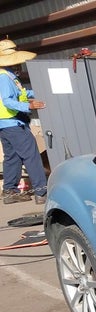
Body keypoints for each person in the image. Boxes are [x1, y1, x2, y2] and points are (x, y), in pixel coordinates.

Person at [0, 38, 47, 205]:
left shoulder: (9, 75)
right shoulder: (4, 77)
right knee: (31, 155)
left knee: (12, 157)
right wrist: (29, 105)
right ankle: (42, 191)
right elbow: (7, 101)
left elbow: (21, 93)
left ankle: (10, 191)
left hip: (5, 125)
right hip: (13, 122)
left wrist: (37, 92)